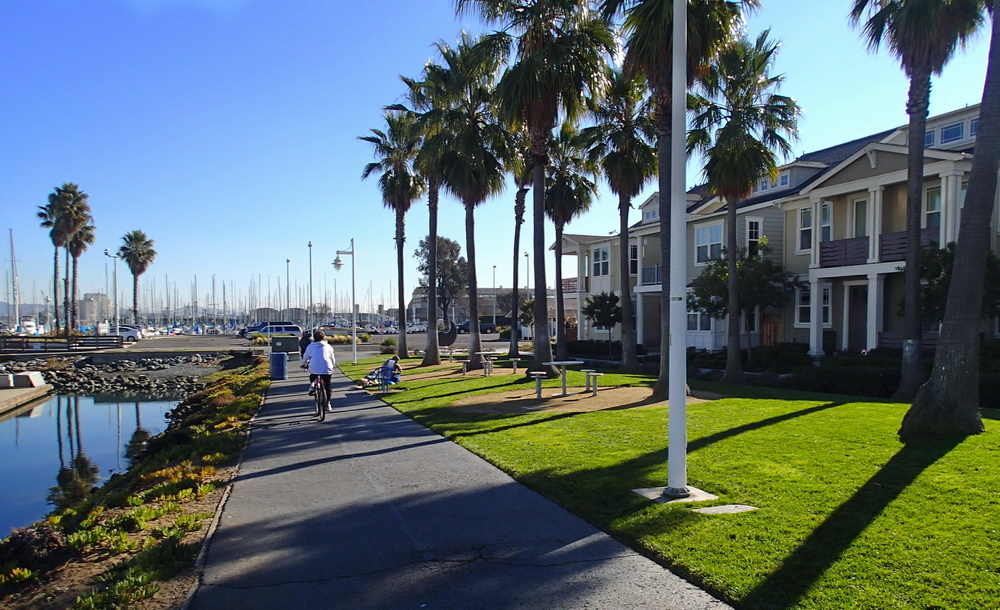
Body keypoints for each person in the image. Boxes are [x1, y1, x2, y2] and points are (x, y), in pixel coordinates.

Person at [301, 330, 336, 412]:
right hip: (327, 368)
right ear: (323, 337)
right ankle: (328, 404)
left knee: (313, 375)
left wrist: (303, 363)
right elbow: (333, 359)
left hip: (314, 367)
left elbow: (306, 356)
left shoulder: (311, 346)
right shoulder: (328, 346)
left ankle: (312, 385)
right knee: (328, 385)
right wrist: (333, 364)